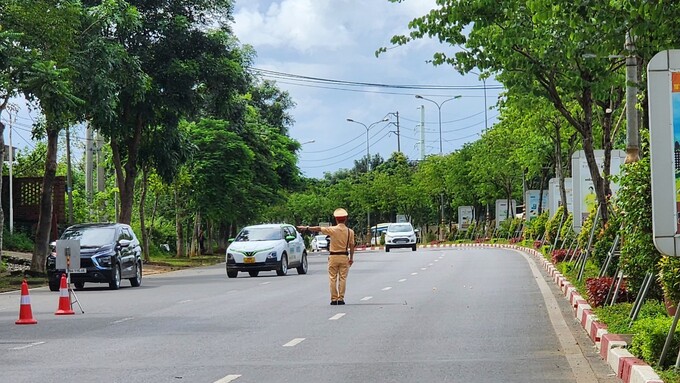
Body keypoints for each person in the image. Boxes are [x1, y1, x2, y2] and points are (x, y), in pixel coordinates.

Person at [297, 208, 355, 305]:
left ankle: (333, 299)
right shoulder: (350, 232)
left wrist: (306, 228)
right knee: (343, 278)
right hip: (344, 256)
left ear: (336, 219)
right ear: (346, 219)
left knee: (333, 278)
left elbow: (318, 228)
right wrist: (351, 259)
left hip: (333, 257)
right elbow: (352, 246)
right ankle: (341, 298)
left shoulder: (332, 230)